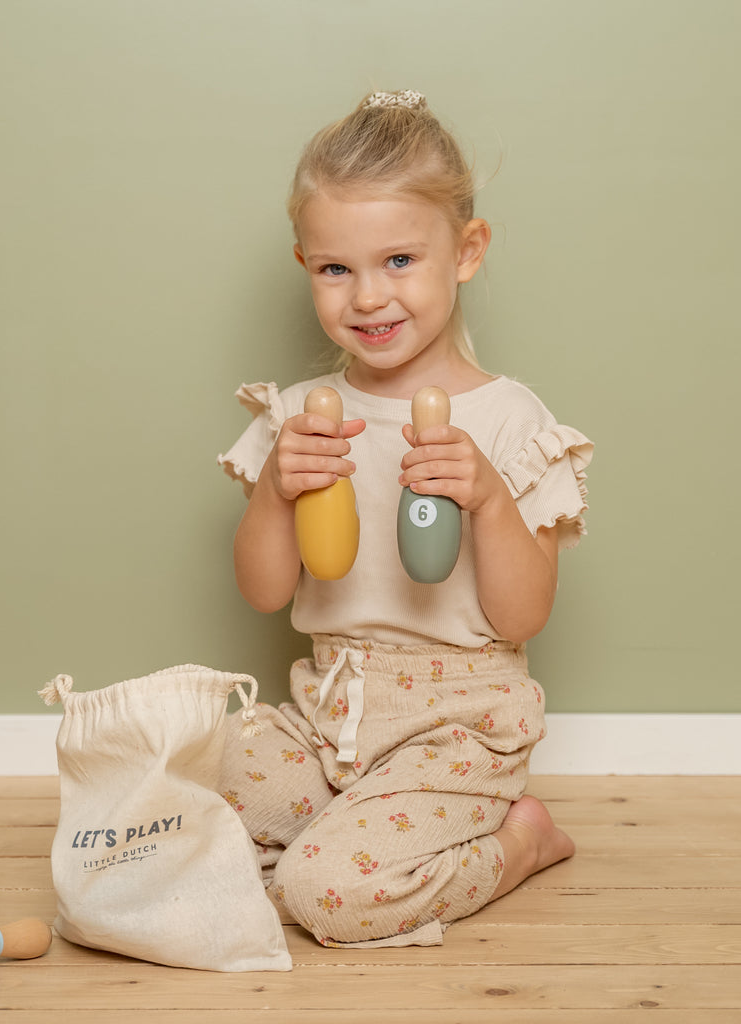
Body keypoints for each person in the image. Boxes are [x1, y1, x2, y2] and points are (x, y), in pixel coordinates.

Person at [217, 89, 593, 948]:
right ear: (305, 262)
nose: (366, 298)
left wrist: (490, 497)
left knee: (329, 896)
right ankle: (352, 842)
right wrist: (277, 486)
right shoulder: (300, 418)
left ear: (466, 252)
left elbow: (524, 615)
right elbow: (263, 590)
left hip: (457, 727)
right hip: (329, 714)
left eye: (398, 261)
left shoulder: (509, 421)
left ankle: (515, 843)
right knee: (199, 787)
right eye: (335, 269)